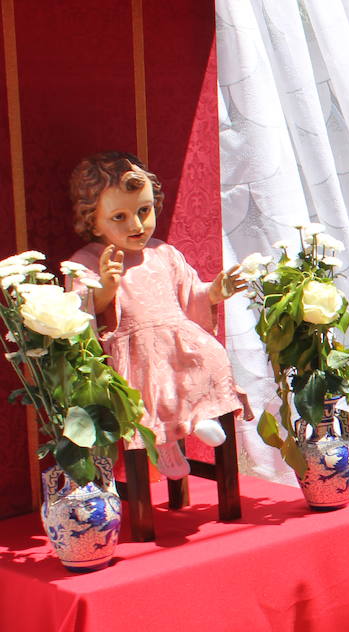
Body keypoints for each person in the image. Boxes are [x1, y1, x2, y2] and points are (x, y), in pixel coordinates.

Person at [67, 152, 249, 478]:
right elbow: (82, 310)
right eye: (119, 217)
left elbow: (189, 294)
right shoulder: (88, 259)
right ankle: (162, 444)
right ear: (93, 219)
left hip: (175, 336)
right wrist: (107, 286)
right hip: (132, 350)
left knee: (210, 353)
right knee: (151, 370)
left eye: (143, 211)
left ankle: (199, 414)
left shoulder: (164, 253)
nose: (137, 225)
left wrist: (213, 292)